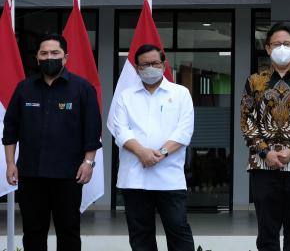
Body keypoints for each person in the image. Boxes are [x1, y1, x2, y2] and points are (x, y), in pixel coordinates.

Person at [2, 33, 102, 251]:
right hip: (30, 175)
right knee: (33, 232)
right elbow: (10, 130)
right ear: (37, 58)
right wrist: (10, 163)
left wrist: (88, 163)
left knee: (68, 231)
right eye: (44, 53)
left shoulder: (82, 89)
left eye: (55, 53)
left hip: (68, 175)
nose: (50, 57)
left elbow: (92, 131)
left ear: (65, 57)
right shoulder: (24, 88)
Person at [240, 22, 290, 251]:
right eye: (277, 44)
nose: (282, 48)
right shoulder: (254, 81)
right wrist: (266, 152)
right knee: (267, 235)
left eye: (287, 44)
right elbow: (247, 122)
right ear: (267, 49)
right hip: (263, 166)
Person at [109, 43, 195, 251]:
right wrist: (142, 152)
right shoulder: (126, 96)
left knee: (178, 229)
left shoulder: (181, 93)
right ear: (137, 68)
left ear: (164, 64)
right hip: (134, 177)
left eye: (155, 63)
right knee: (140, 235)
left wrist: (161, 153)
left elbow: (184, 131)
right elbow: (120, 130)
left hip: (170, 178)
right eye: (144, 64)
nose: (150, 67)